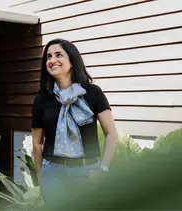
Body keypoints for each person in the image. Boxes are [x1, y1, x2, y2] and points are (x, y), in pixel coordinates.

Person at [31, 38, 118, 203]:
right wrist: (40, 176)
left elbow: (111, 133)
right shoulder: (41, 99)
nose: (52, 60)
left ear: (72, 61)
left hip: (87, 171)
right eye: (48, 57)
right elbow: (37, 143)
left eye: (58, 55)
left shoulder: (92, 92)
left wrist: (103, 168)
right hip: (53, 174)